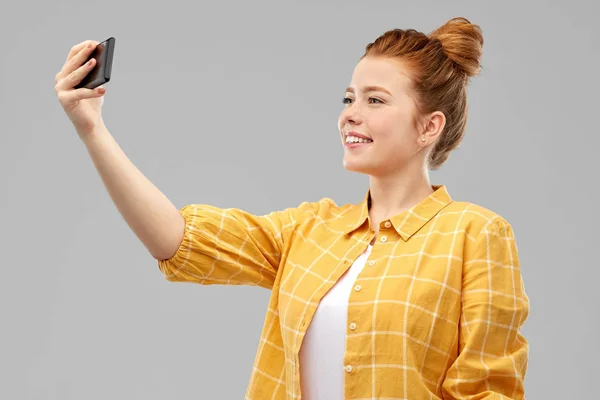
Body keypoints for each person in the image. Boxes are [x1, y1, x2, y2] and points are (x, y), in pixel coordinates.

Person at [54, 16, 529, 400]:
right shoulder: (309, 229)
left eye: (375, 100)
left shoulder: (475, 234)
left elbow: (488, 391)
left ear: (429, 127)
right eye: (349, 98)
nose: (350, 113)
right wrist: (92, 128)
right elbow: (178, 239)